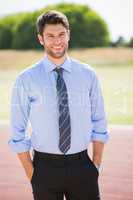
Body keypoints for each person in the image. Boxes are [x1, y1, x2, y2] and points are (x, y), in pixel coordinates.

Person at [8, 10, 109, 200]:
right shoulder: (26, 79)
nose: (57, 41)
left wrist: (95, 164)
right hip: (44, 168)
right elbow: (17, 130)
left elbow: (99, 120)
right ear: (41, 39)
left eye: (61, 34)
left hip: (82, 165)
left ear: (69, 34)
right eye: (50, 36)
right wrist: (32, 173)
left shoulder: (88, 74)